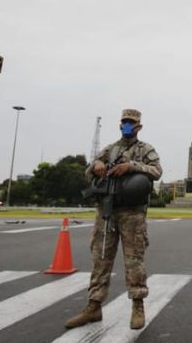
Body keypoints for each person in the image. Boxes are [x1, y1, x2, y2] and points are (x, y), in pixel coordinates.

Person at [65, 109, 162, 330]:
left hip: (132, 213)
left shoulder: (145, 149)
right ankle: (94, 306)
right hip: (107, 210)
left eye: (132, 122)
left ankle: (138, 305)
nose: (128, 125)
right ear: (120, 125)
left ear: (139, 126)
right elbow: (89, 170)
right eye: (124, 122)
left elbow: (157, 171)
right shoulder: (110, 149)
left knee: (134, 260)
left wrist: (132, 166)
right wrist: (95, 167)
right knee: (101, 258)